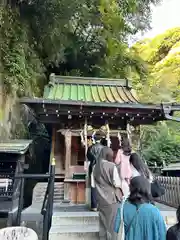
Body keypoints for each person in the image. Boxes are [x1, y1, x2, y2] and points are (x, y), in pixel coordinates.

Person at [114, 176, 167, 240]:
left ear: (130, 188)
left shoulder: (123, 208)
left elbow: (117, 228)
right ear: (147, 189)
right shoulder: (154, 210)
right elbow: (162, 234)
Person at [92, 146, 123, 240]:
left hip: (100, 199)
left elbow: (93, 184)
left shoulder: (95, 167)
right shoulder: (111, 166)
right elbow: (117, 183)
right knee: (113, 225)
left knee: (102, 224)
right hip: (112, 199)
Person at [86, 133, 105, 211]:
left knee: (93, 186)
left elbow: (88, 157)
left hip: (93, 167)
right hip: (102, 167)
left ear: (94, 139)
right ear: (100, 139)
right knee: (101, 186)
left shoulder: (90, 148)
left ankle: (94, 206)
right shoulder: (104, 148)